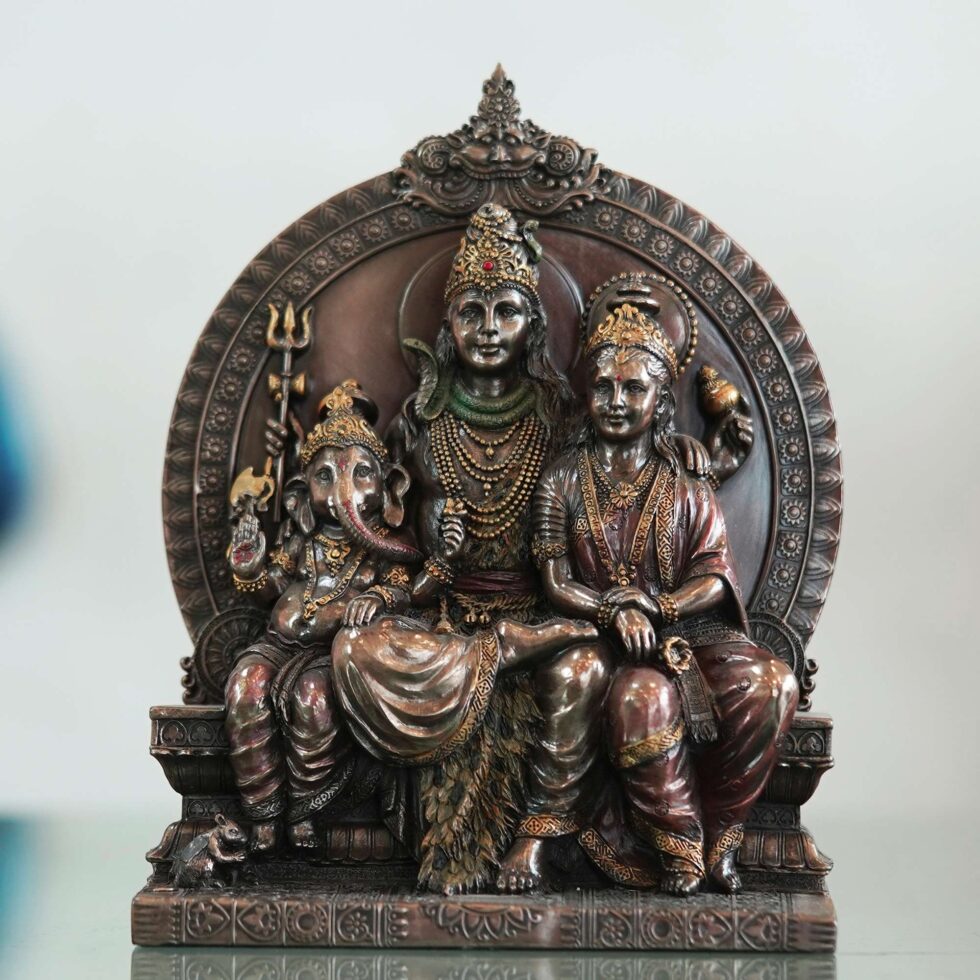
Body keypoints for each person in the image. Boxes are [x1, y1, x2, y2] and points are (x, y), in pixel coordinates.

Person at [532, 290, 799, 896]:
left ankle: (722, 834)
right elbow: (555, 581)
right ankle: (678, 844)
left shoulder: (685, 479)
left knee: (772, 684)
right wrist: (613, 609)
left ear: (659, 400)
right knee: (641, 698)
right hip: (606, 640)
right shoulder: (564, 479)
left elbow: (715, 575)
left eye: (633, 389)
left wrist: (660, 605)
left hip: (690, 634)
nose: (616, 402)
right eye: (604, 388)